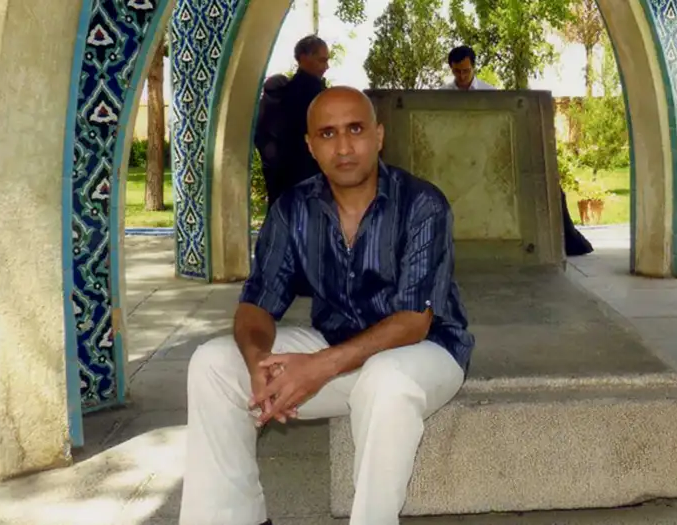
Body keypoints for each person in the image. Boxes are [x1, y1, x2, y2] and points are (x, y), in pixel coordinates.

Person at [179, 86, 475, 525]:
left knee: (387, 380)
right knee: (214, 364)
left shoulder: (421, 204)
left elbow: (413, 322)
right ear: (311, 146)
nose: (344, 147)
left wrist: (318, 367)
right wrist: (258, 362)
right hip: (336, 350)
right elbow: (257, 305)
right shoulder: (292, 209)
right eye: (328, 134)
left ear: (378, 136)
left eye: (355, 129)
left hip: (424, 353)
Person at [254, 35, 330, 207]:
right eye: (321, 60)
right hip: (305, 177)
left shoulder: (288, 92)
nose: (326, 67)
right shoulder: (310, 94)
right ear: (304, 58)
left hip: (284, 180)